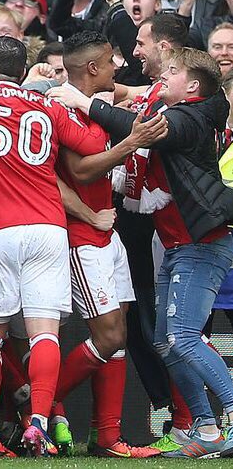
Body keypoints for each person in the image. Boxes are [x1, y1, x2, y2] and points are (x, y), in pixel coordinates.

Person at [0, 36, 166, 456]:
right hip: (49, 228)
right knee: (44, 333)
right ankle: (40, 423)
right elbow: (89, 149)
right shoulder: (47, 105)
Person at [53, 48, 233, 459]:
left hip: (200, 244)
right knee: (166, 342)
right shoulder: (184, 108)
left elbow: (139, 129)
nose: (162, 78)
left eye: (173, 72)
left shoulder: (190, 117)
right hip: (177, 245)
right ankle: (205, 428)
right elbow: (137, 107)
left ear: (192, 86)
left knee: (184, 338)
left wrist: (83, 102)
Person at [48, 31, 161, 458]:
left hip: (107, 233)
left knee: (120, 330)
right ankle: (30, 403)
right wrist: (131, 143)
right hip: (82, 237)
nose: (118, 67)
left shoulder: (95, 108)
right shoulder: (63, 110)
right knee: (110, 336)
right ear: (93, 68)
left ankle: (107, 437)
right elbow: (79, 172)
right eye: (111, 62)